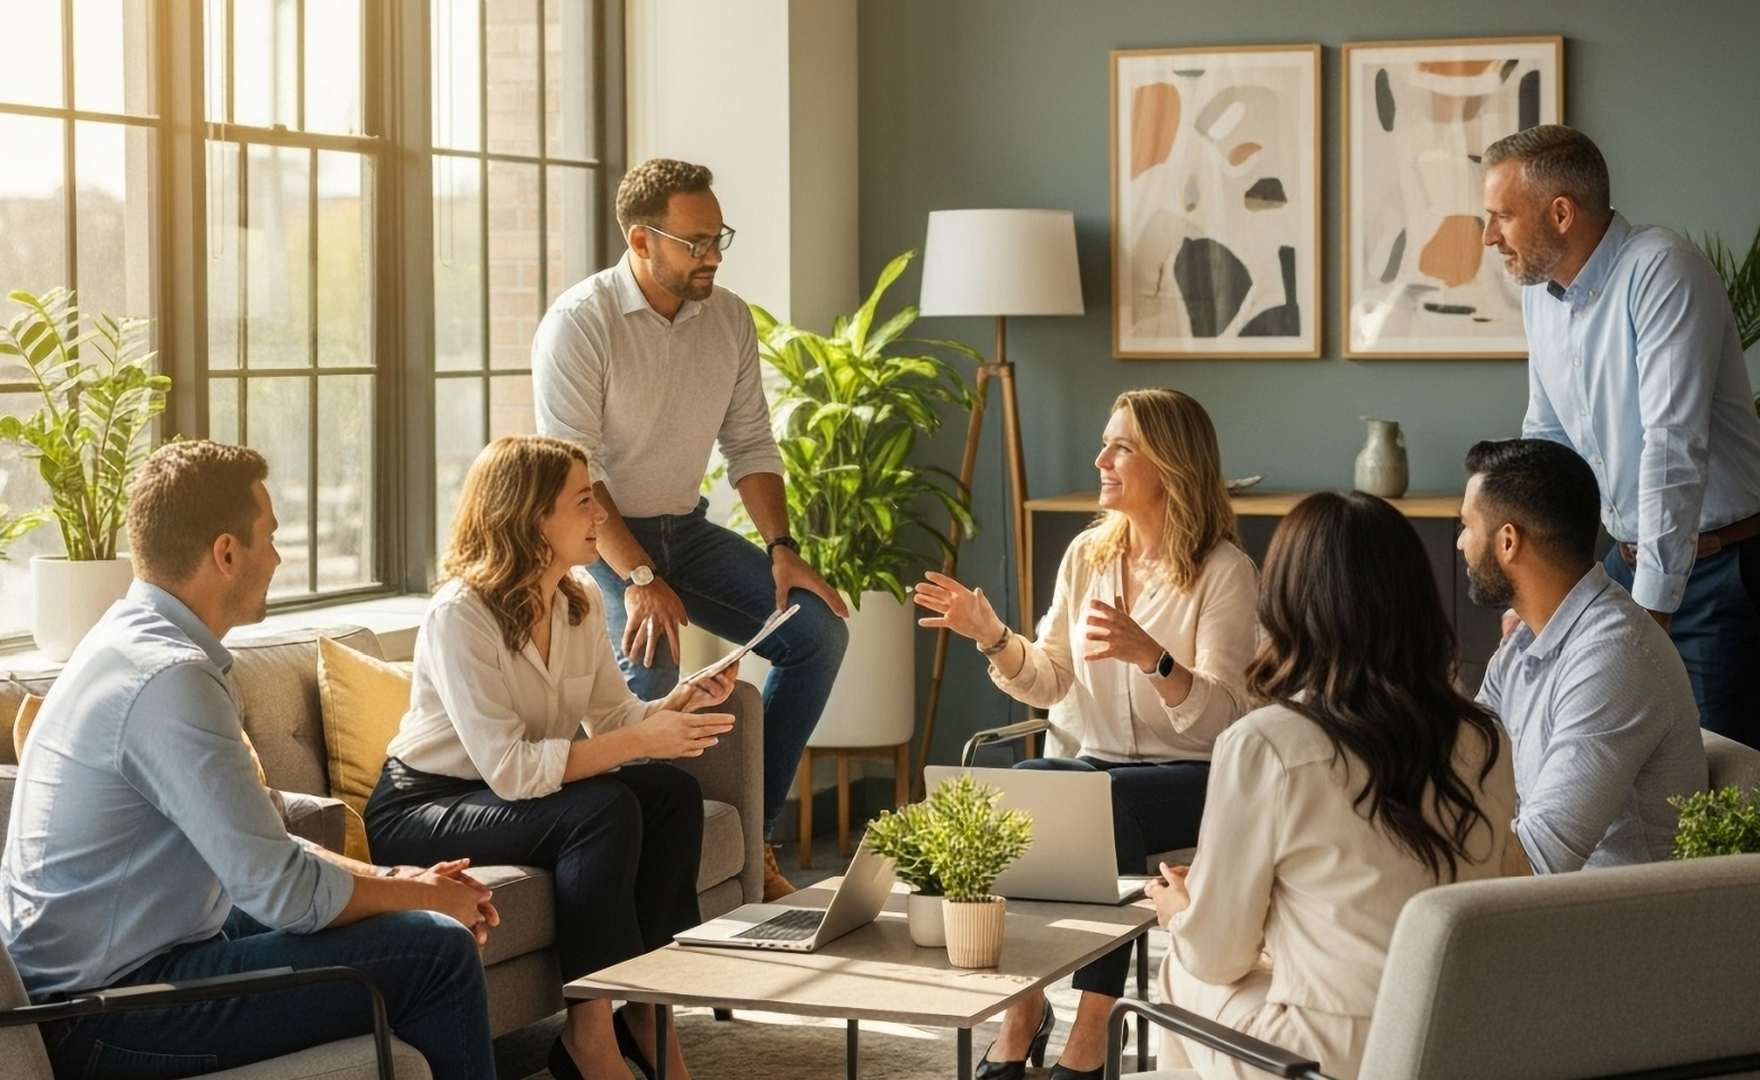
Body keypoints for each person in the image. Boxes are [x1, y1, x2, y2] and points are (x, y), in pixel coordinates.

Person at [0, 441, 497, 1079]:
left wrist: (402, 880)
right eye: (271, 537)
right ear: (227, 553)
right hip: (104, 1011)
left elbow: (262, 840)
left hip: (123, 967)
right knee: (437, 951)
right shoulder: (170, 679)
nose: (279, 557)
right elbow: (282, 892)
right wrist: (414, 895)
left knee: (409, 917)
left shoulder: (126, 641)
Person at [364, 436, 736, 1080]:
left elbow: (613, 718)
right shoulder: (460, 615)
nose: (601, 515)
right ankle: (588, 1037)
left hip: (503, 796)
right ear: (532, 516)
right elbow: (512, 770)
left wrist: (676, 703)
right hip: (425, 807)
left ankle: (650, 1013)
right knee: (603, 809)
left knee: (670, 794)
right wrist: (639, 743)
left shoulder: (578, 598)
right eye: (584, 501)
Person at [913, 389, 1258, 1080]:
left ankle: (1093, 1028)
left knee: (1087, 798)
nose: (1101, 460)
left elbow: (1227, 717)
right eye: (1106, 443)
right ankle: (1025, 1010)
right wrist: (992, 636)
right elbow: (1050, 681)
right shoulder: (1086, 557)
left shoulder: (1224, 571)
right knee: (1030, 788)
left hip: (1195, 778)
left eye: (1121, 448)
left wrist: (1155, 660)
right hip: (1091, 769)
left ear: (1172, 463)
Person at [532, 157, 850, 900]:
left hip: (687, 528)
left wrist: (782, 550)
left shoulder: (728, 318)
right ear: (641, 241)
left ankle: (750, 837)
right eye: (695, 242)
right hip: (598, 538)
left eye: (718, 238)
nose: (713, 256)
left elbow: (751, 445)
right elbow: (578, 474)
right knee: (650, 666)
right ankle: (642, 870)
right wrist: (640, 579)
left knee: (816, 632)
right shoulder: (580, 324)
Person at [1149, 491, 1516, 1080]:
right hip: (1458, 1043)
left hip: (1329, 1056)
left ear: (1288, 604)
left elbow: (1219, 957)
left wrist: (1182, 912)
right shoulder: (1486, 736)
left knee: (1182, 966)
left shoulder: (1264, 743)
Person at [1481, 123, 1760, 749]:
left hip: (1720, 571)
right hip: (1627, 562)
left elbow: (1671, 449)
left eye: (1502, 215)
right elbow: (1546, 443)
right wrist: (1534, 587)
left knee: (1716, 778)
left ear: (1561, 213)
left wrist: (1652, 614)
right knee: (1587, 746)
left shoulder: (1663, 271)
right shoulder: (1541, 297)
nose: (1488, 236)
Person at [1461, 438, 1707, 872]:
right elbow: (1465, 764)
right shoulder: (1522, 643)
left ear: (1508, 541)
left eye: (1467, 525)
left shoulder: (1614, 656)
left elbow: (1538, 861)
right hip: (1545, 897)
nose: (1461, 542)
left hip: (1608, 909)